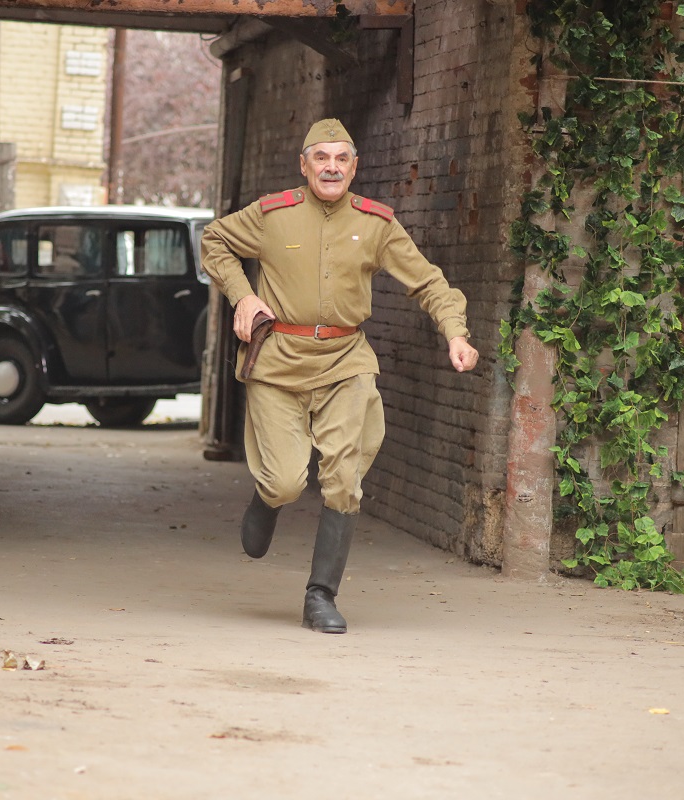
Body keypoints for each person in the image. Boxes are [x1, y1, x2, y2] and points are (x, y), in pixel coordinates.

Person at [201, 118, 479, 635]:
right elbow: (214, 240)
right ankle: (269, 497)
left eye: (341, 158)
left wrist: (455, 333)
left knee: (343, 479)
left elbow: (428, 281)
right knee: (286, 481)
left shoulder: (376, 224)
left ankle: (320, 595)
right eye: (321, 157)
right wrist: (243, 295)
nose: (331, 167)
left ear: (355, 166)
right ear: (303, 164)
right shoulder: (271, 214)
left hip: (346, 361)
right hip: (279, 360)